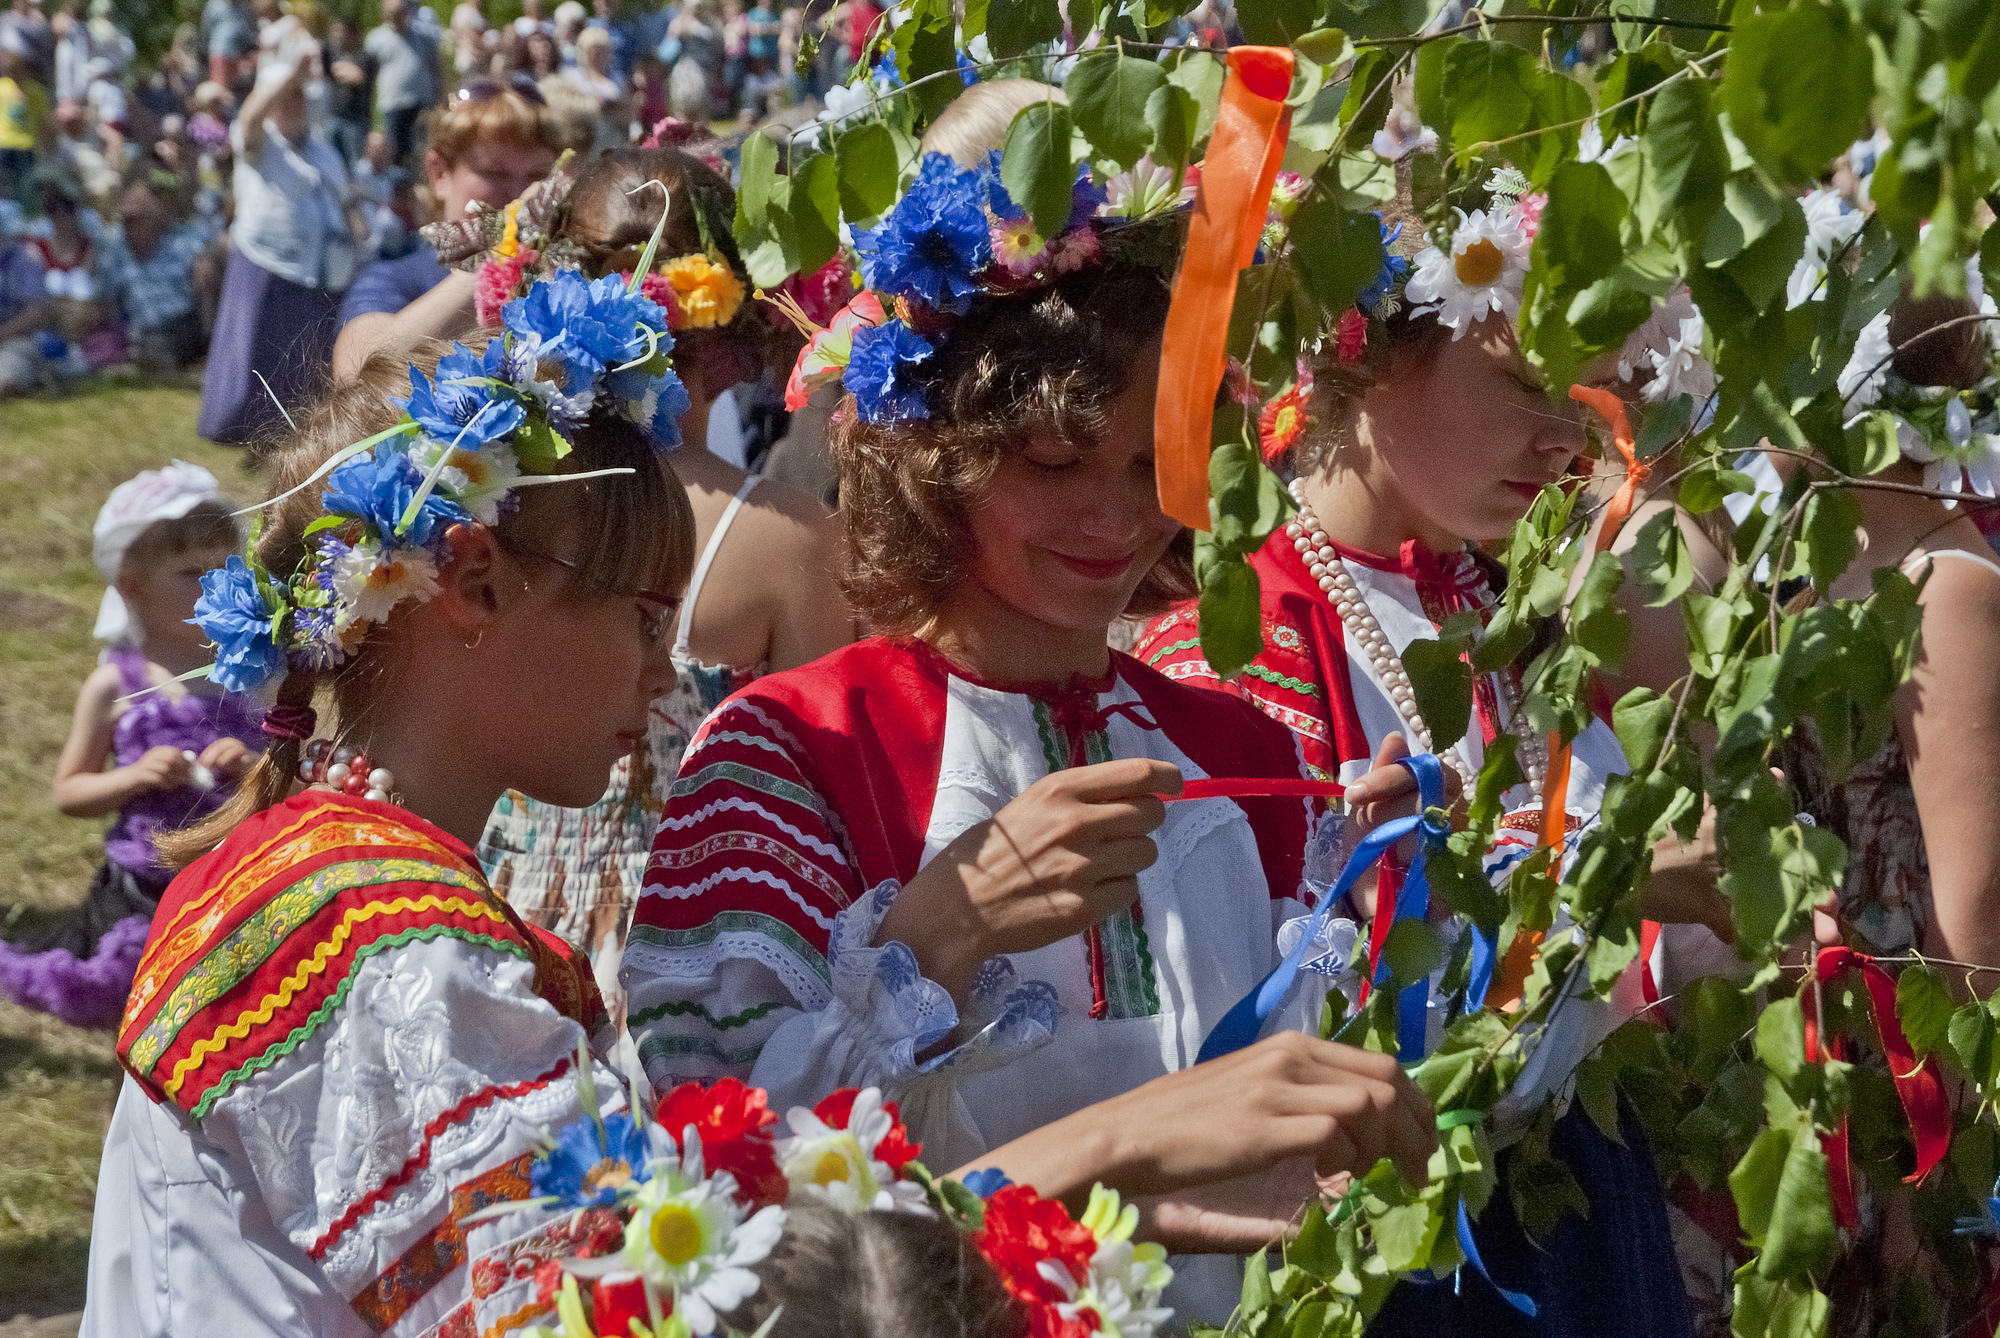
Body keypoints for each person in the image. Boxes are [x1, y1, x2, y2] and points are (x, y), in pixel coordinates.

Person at [622, 141, 1349, 1324]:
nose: (1113, 516)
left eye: (1148, 461)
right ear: (934, 454)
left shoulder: (1243, 754)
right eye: (1055, 460)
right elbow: (719, 1190)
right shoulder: (798, 750)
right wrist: (929, 941)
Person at [79, 270, 700, 1338]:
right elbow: (593, 1315)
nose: (665, 674)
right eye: (645, 620)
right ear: (474, 586)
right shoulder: (375, 945)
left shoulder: (337, 870)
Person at [1137, 183, 1702, 1336]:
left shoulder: (1515, 605)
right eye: (1534, 389)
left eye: (1592, 403)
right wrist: (1592, 871)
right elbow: (1259, 1015)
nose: (1568, 440)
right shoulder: (1232, 637)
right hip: (1389, 1240)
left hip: (1570, 1199)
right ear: (1371, 353)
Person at [476, 144, 854, 1075]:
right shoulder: (787, 537)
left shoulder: (491, 488)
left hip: (490, 914)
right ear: (740, 318)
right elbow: (823, 801)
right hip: (687, 956)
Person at [0, 465, 262, 1032]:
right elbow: (70, 792)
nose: (211, 586)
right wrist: (136, 776)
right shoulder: (116, 685)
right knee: (144, 1027)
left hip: (242, 890)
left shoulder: (255, 677)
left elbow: (300, 771)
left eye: (224, 569)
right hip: (146, 897)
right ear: (132, 585)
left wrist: (253, 769)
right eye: (190, 573)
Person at [331, 77, 562, 381]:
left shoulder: (563, 279)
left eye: (537, 176)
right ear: (438, 173)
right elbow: (357, 377)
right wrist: (506, 249)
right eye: (496, 173)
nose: (522, 195)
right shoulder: (395, 280)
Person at [196, 34, 356, 448]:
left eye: (301, 99)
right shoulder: (260, 141)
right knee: (253, 351)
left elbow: (344, 196)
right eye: (288, 99)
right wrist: (290, 75)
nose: (296, 106)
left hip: (317, 267)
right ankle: (237, 427)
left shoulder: (322, 151)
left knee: (301, 357)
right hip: (265, 259)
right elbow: (249, 119)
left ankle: (290, 428)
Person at [99, 177, 221, 370]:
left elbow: (207, 248)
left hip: (182, 327)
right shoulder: (115, 257)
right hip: (140, 331)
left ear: (155, 219)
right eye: (126, 220)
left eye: (136, 219)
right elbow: (106, 305)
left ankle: (209, 354)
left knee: (207, 280)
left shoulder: (179, 247)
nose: (129, 227)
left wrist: (206, 260)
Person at [365, 0, 439, 166]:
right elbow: (369, 75)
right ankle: (398, 188)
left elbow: (436, 67)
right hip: (393, 103)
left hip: (422, 103)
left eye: (400, 12)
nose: (397, 17)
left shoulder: (424, 36)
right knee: (395, 153)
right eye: (393, 13)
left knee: (424, 150)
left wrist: (439, 97)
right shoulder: (376, 39)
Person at [0, 198, 48, 395]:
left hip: (16, 342)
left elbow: (35, 314)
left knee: (5, 378)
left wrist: (2, 334)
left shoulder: (24, 259)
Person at [321, 17, 374, 164]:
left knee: (354, 164)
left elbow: (356, 76)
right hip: (333, 117)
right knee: (332, 161)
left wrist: (336, 69)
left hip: (355, 121)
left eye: (341, 32)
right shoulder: (330, 54)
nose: (338, 36)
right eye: (335, 32)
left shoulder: (365, 57)